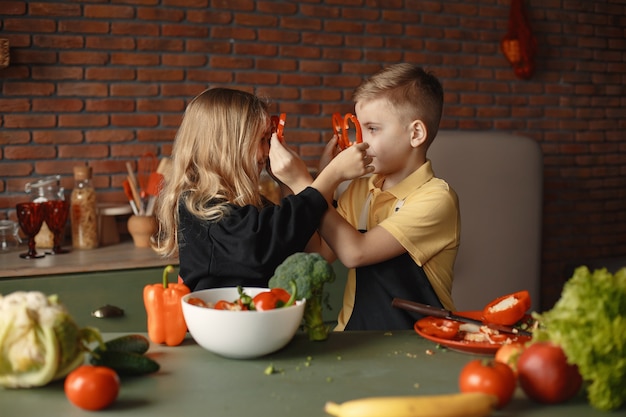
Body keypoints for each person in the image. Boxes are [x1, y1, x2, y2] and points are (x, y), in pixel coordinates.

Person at [153, 87, 372, 291]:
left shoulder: (250, 206)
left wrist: (302, 184)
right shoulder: (202, 206)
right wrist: (330, 177)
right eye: (263, 140)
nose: (267, 152)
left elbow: (318, 251)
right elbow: (262, 244)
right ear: (227, 146)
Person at [313, 64, 461, 331]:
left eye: (373, 129)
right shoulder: (360, 189)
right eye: (359, 128)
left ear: (415, 134)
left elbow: (355, 253)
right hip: (353, 339)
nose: (360, 141)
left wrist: (323, 182)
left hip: (417, 346)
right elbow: (318, 254)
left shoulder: (436, 199)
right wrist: (313, 185)